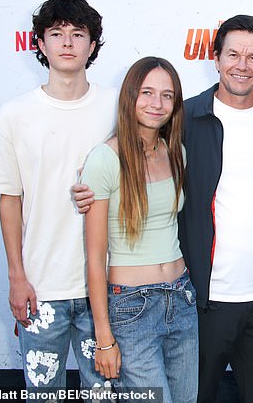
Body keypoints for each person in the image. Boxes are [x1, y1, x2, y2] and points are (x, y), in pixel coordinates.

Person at [72, 14, 253, 403]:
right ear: (216, 57)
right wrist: (88, 186)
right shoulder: (184, 120)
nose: (242, 65)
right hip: (201, 300)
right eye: (233, 54)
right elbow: (127, 157)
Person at [0, 0, 115, 394]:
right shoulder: (14, 114)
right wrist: (16, 277)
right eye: (56, 33)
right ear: (39, 43)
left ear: (92, 45)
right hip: (40, 290)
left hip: (103, 290)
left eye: (77, 33)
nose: (67, 42)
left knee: (104, 395)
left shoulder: (115, 106)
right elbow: (9, 200)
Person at [80, 57, 198, 402]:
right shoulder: (105, 158)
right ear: (130, 96)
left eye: (167, 95)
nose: (156, 103)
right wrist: (104, 339)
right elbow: (94, 258)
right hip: (132, 308)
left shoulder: (177, 152)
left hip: (182, 297)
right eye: (147, 92)